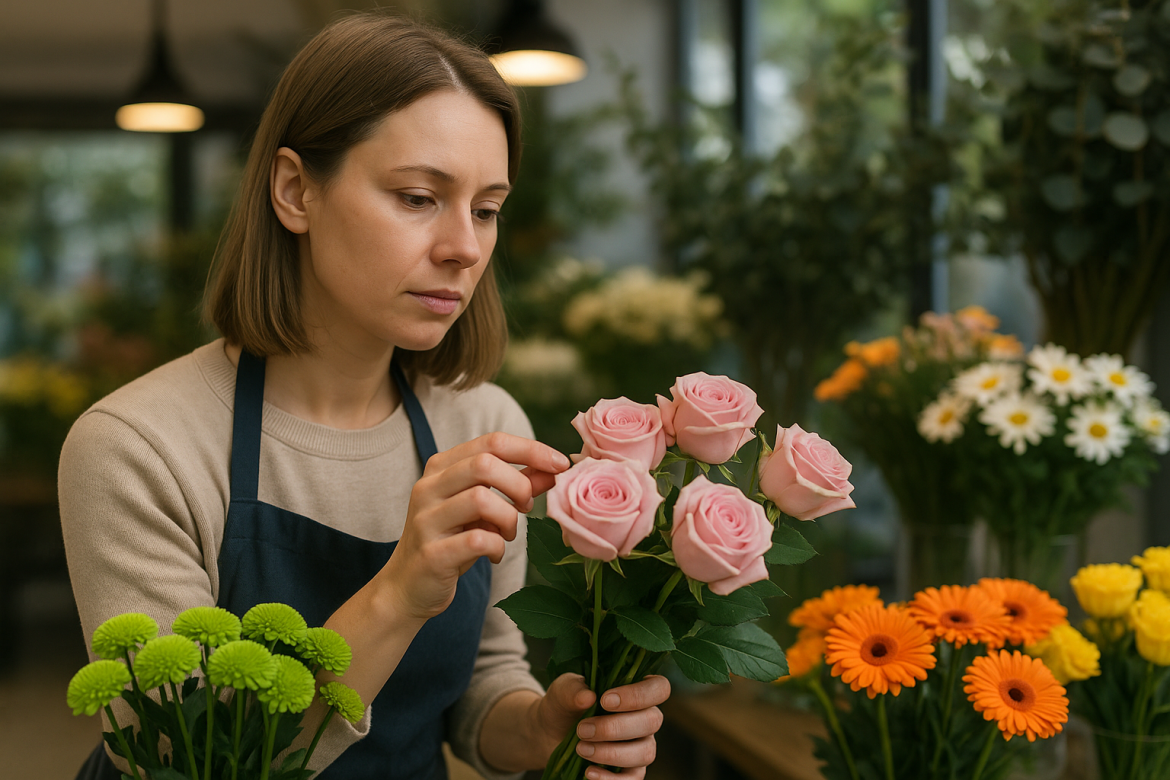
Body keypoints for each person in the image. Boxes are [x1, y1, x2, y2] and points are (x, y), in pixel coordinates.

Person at [59, 12, 669, 780]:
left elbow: (481, 689)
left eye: (486, 209)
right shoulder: (138, 445)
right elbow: (179, 755)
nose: (465, 247)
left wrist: (545, 727)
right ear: (295, 191)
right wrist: (399, 593)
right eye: (417, 197)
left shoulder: (481, 421)